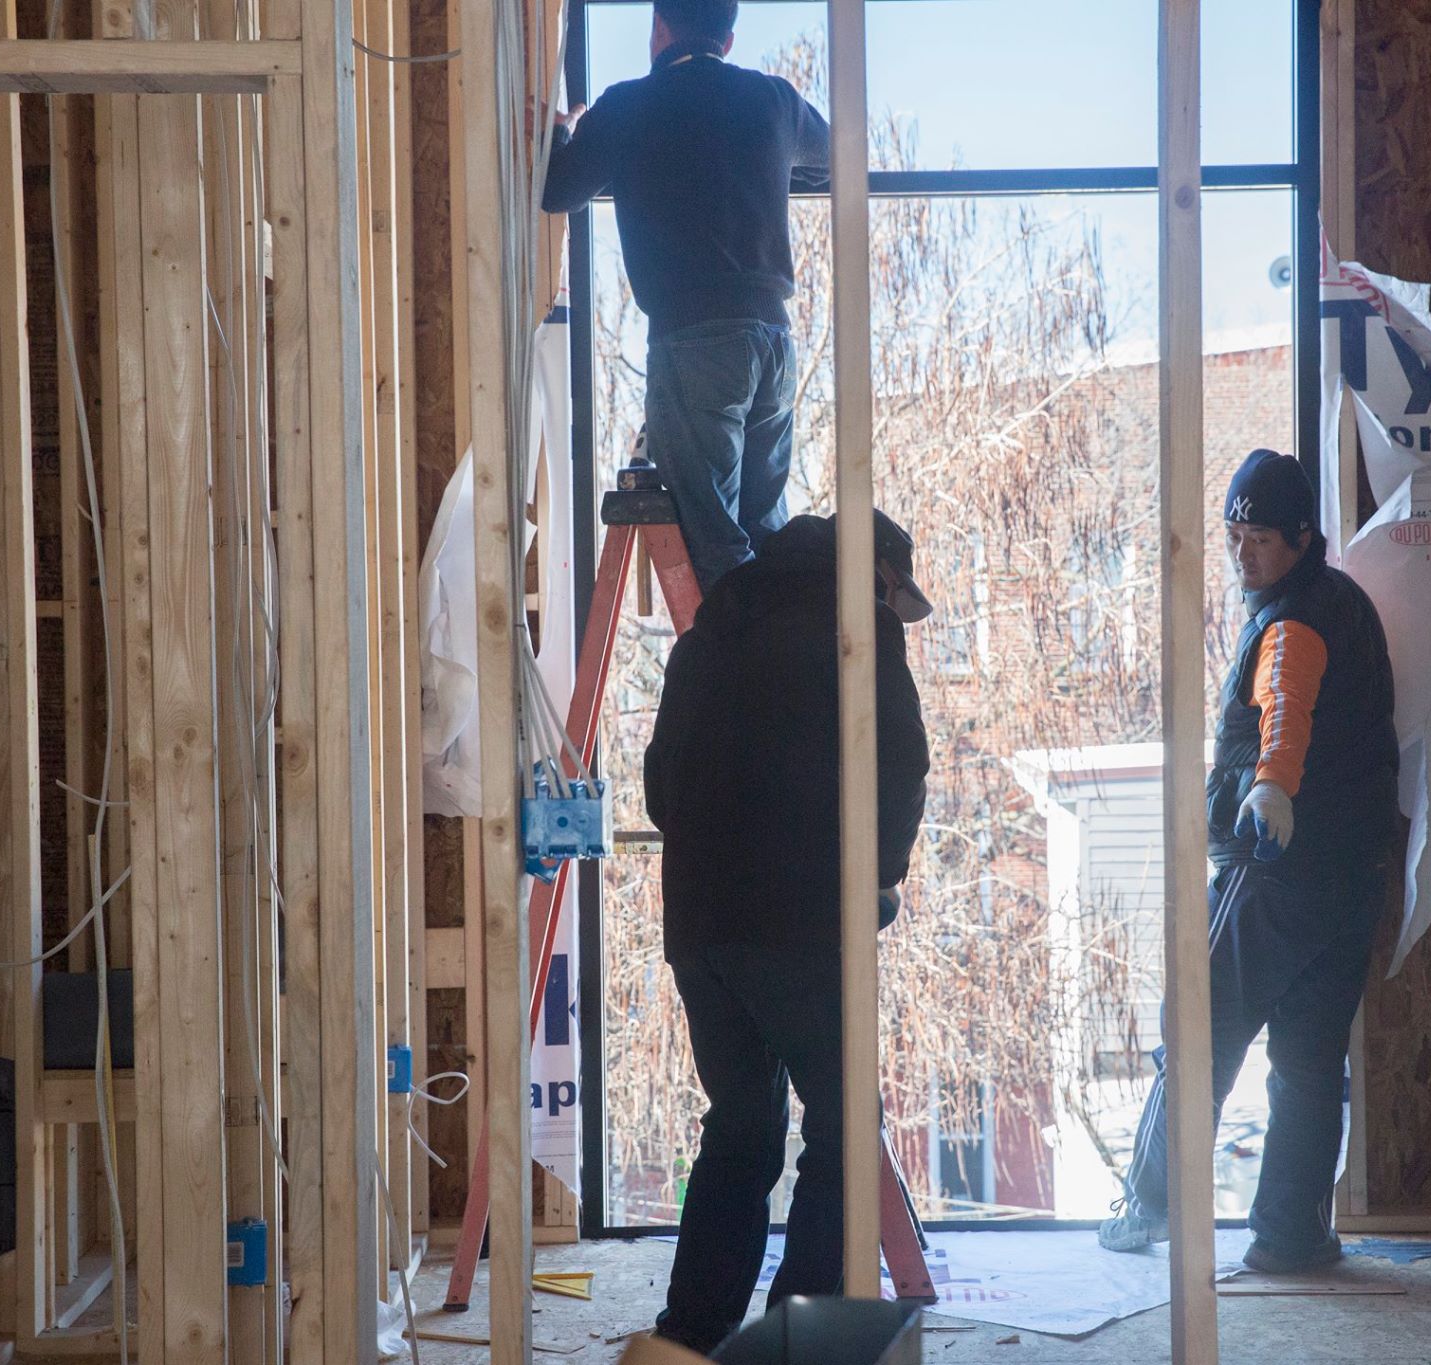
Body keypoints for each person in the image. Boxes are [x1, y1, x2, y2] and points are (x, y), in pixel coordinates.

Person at [1098, 448, 1397, 1274]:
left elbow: (1284, 710)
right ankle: (1291, 1235)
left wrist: (1270, 787)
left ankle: (1151, 1203)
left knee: (1200, 1031)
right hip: (1350, 878)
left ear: (1301, 536)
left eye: (1259, 539)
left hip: (1274, 869)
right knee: (1307, 1060)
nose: (1243, 554)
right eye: (1234, 537)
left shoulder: (1293, 622)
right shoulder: (1344, 603)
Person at [642, 510, 933, 1354]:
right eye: (894, 592)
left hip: (700, 925)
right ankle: (795, 1342)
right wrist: (878, 876)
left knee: (740, 1125)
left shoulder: (711, 628)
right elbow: (901, 763)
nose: (893, 607)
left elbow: (660, 789)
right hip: (797, 920)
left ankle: (690, 1335)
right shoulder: (859, 628)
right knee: (843, 1129)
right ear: (877, 573)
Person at [541, 0, 831, 589]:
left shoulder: (627, 107)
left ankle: (737, 649)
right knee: (766, 531)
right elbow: (833, 157)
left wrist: (563, 129)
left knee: (713, 545)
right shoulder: (772, 99)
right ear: (728, 40)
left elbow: (557, 191)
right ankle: (779, 644)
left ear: (659, 28)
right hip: (773, 342)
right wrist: (769, 160)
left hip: (696, 344)